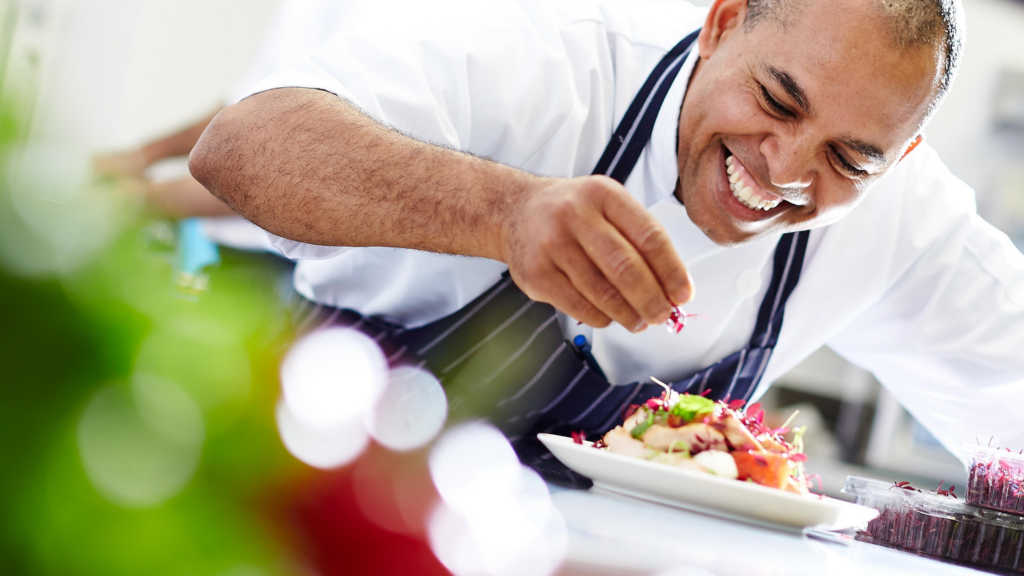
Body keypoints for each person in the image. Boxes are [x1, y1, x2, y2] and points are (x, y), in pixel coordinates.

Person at [189, 0, 1024, 481]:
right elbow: (242, 146)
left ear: (903, 156)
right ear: (723, 24)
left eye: (850, 158)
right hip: (310, 505)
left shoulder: (903, 220)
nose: (785, 173)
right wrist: (504, 213)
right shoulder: (552, 64)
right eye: (776, 101)